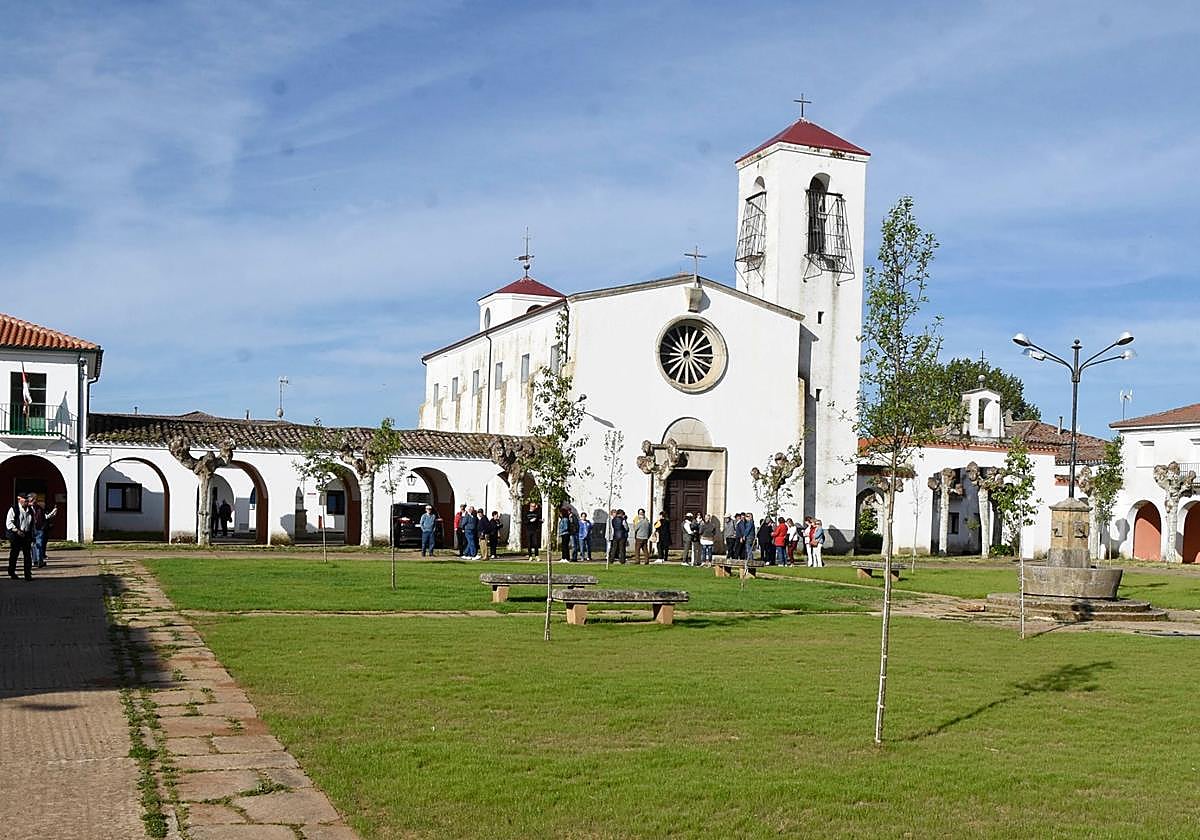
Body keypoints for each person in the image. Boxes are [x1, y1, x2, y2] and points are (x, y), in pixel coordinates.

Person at [7, 494, 34, 580]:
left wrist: (32, 535)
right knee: (14, 554)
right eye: (24, 500)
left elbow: (32, 523)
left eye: (27, 501)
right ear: (19, 500)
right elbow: (9, 523)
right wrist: (17, 531)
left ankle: (28, 574)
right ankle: (11, 572)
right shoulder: (14, 509)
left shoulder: (30, 510)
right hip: (16, 535)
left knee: (27, 555)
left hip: (26, 534)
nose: (26, 502)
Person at [30, 496, 57, 569]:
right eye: (33, 500)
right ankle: (35, 560)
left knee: (39, 545)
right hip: (30, 530)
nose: (34, 502)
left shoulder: (39, 508)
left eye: (35, 500)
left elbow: (45, 517)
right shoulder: (27, 509)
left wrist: (53, 512)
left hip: (39, 529)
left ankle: (39, 561)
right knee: (33, 546)